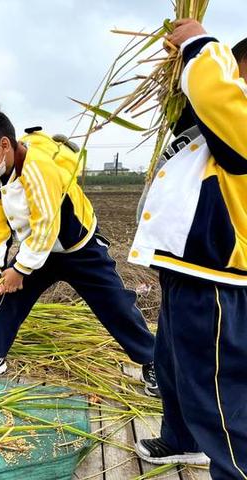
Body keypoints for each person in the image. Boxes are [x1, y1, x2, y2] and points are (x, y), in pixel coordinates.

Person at [0, 103, 158, 397]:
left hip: (79, 247)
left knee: (115, 303)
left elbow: (47, 223)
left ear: (3, 145)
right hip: (38, 252)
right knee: (7, 298)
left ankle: (152, 360)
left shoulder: (38, 168)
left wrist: (20, 269)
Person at [131, 20, 247, 476]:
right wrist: (179, 75)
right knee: (174, 364)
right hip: (185, 267)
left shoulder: (240, 121)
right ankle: (182, 439)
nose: (234, 85)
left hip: (215, 277)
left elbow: (221, 100)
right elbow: (200, 110)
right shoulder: (213, 127)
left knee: (218, 395)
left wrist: (201, 44)